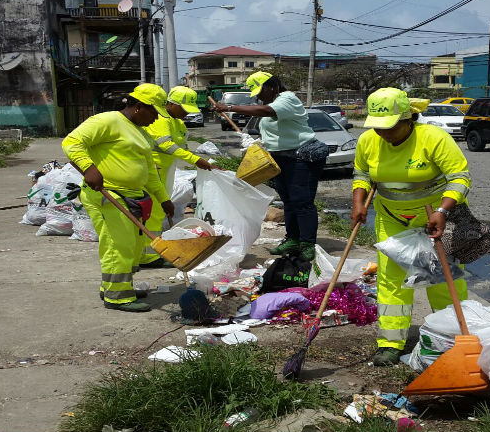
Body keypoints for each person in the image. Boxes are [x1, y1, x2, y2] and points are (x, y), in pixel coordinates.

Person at [351, 87, 472, 366]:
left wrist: (443, 210)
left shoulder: (433, 138)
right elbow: (361, 174)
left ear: (408, 119)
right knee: (392, 281)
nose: (383, 133)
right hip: (392, 219)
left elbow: (459, 178)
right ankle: (390, 342)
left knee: (442, 280)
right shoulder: (369, 140)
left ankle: (451, 338)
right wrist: (359, 203)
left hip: (435, 219)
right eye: (378, 126)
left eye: (390, 127)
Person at [62, 83, 174, 312]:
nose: (156, 119)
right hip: (109, 194)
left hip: (134, 196)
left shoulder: (141, 132)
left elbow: (150, 171)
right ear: (140, 107)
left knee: (132, 247)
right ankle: (118, 297)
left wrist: (163, 198)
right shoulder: (107, 121)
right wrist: (88, 168)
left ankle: (117, 286)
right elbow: (72, 143)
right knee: (117, 246)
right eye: (154, 112)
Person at [212, 71, 324, 261]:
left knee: (301, 201)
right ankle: (293, 239)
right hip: (280, 159)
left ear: (271, 86)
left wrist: (229, 107)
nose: (258, 97)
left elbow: (268, 112)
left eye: (260, 91)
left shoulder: (288, 99)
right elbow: (274, 132)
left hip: (302, 157)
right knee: (288, 201)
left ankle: (307, 243)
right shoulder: (270, 103)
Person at [137, 86, 217, 268]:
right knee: (154, 212)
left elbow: (181, 147)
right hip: (154, 169)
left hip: (166, 170)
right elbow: (166, 145)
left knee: (158, 211)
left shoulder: (177, 123)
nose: (186, 113)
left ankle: (150, 253)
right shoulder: (161, 119)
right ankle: (148, 257)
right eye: (183, 109)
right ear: (171, 104)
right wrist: (196, 160)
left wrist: (202, 162)